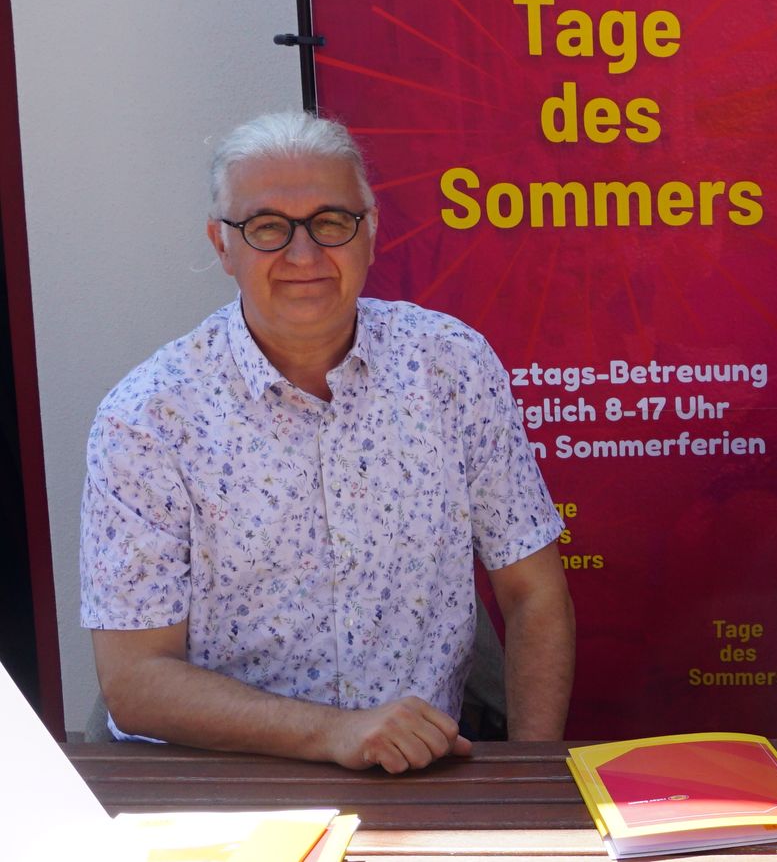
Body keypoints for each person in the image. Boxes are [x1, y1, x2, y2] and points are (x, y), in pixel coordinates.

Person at [80, 110, 574, 773]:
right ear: (222, 246)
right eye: (266, 227)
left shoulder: (451, 366)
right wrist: (335, 732)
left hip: (418, 775)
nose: (304, 254)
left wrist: (528, 779)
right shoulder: (146, 419)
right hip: (214, 788)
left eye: (331, 221)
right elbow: (136, 680)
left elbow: (534, 594)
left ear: (370, 232)